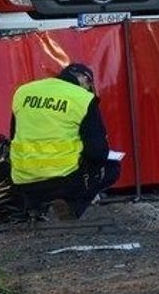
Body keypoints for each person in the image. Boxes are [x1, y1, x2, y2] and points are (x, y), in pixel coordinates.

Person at [9, 62, 121, 220]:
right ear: (83, 78)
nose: (89, 88)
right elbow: (97, 152)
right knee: (111, 167)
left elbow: (13, 135)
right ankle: (73, 208)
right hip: (63, 180)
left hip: (23, 179)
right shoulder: (83, 99)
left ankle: (35, 206)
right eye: (89, 83)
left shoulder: (23, 92)